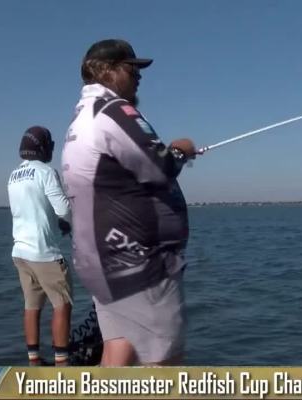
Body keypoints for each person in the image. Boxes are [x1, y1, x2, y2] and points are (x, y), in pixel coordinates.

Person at [61, 39, 198, 366]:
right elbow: (160, 166)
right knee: (164, 364)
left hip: (104, 262)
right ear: (106, 71)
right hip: (139, 265)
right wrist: (180, 150)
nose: (138, 76)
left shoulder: (82, 119)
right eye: (131, 68)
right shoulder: (115, 112)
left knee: (118, 350)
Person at [7, 125, 73, 366]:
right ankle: (61, 363)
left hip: (20, 252)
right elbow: (63, 209)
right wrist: (72, 221)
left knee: (31, 305)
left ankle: (34, 361)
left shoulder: (13, 176)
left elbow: (33, 209)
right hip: (44, 253)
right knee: (62, 304)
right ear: (43, 147)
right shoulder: (46, 172)